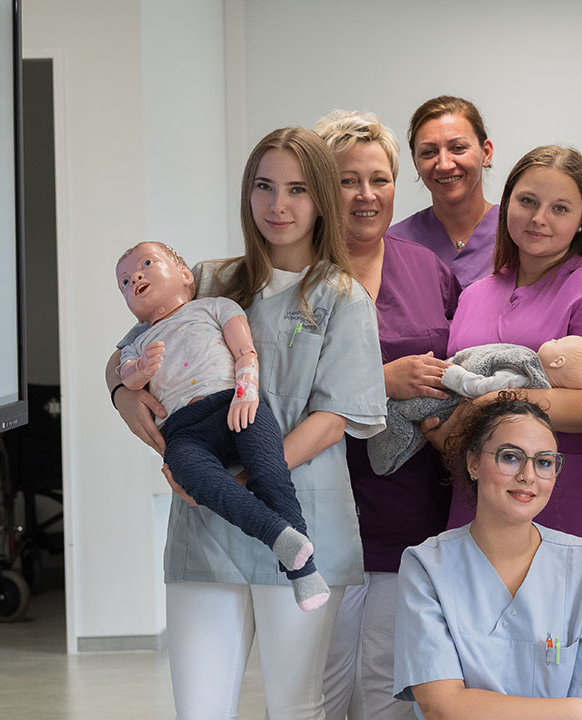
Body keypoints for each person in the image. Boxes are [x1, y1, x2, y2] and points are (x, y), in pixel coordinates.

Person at [108, 126, 387, 718]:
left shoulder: (342, 297)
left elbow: (334, 418)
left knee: (293, 708)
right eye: (263, 187)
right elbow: (126, 350)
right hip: (205, 529)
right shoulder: (208, 281)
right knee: (199, 709)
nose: (277, 206)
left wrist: (244, 481)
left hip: (301, 514)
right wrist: (121, 394)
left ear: (321, 201)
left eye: (296, 189)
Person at [313, 109, 461, 720]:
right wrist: (380, 383)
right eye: (349, 180)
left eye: (381, 178)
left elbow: (457, 372)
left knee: (392, 687)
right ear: (322, 188)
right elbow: (273, 394)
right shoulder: (294, 278)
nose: (367, 195)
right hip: (322, 509)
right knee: (318, 686)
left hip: (411, 511)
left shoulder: (426, 269)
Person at [425, 145, 582, 552]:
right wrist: (441, 432)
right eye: (527, 201)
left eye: (560, 208)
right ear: (506, 206)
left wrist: (495, 401)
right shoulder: (475, 294)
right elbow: (454, 394)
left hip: (569, 499)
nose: (539, 219)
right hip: (478, 499)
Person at [393, 394, 582, 719]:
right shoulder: (426, 566)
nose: (527, 475)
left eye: (543, 462)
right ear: (473, 463)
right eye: (510, 457)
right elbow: (441, 707)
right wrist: (574, 712)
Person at [115, 241, 329, 611]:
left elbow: (246, 351)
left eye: (147, 264)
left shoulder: (215, 307)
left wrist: (246, 392)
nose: (134, 277)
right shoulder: (136, 342)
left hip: (234, 404)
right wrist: (140, 372)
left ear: (185, 275)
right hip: (183, 430)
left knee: (270, 471)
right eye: (123, 282)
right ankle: (279, 536)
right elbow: (126, 376)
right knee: (187, 472)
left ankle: (305, 573)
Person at [371, 336, 582, 475]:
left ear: (558, 361)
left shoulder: (523, 379)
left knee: (404, 410)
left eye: (558, 342)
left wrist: (452, 375)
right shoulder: (528, 371)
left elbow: (483, 388)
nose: (552, 339)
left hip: (450, 393)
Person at [389, 96, 497, 288]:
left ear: (486, 152)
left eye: (458, 148)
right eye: (429, 152)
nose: (445, 164)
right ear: (415, 162)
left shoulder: (517, 234)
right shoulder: (394, 246)